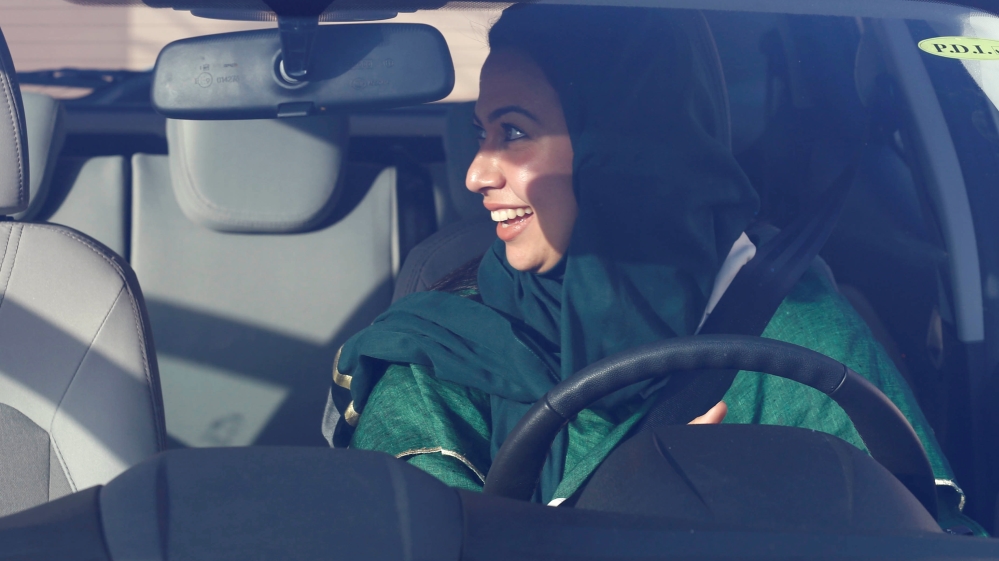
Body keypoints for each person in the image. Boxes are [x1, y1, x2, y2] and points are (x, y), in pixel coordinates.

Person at [322, 4, 978, 530]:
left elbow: (930, 538)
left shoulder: (799, 330)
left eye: (514, 133)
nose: (474, 173)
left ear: (624, 147)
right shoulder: (438, 346)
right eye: (480, 132)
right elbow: (394, 539)